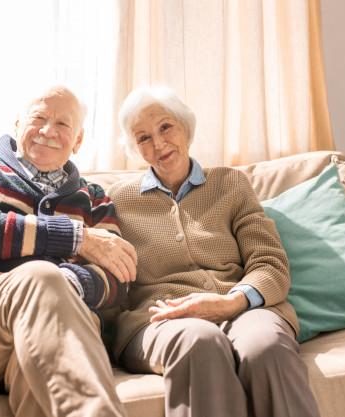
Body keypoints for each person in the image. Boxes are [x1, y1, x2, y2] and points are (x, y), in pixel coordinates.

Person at [0, 85, 136, 417]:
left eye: (63, 124)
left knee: (43, 292)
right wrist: (77, 239)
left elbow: (118, 277)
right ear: (17, 123)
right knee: (40, 277)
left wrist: (54, 286)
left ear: (77, 140)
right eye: (39, 118)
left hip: (45, 340)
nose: (48, 131)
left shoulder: (94, 198)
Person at [109, 86, 320, 417]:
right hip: (161, 318)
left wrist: (231, 302)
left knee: (265, 347)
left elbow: (270, 263)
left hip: (241, 309)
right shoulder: (118, 200)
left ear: (185, 126)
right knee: (200, 341)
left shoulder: (230, 184)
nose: (159, 143)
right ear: (135, 149)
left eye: (165, 127)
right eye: (143, 138)